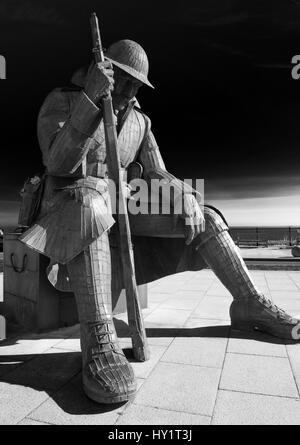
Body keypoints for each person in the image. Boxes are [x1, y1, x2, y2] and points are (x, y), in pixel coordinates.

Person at [20, 39, 300, 404]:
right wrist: (89, 101)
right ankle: (98, 336)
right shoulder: (64, 99)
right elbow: (58, 164)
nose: (130, 90)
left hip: (122, 207)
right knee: (89, 206)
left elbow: (156, 172)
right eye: (123, 80)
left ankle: (249, 303)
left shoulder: (140, 120)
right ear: (102, 70)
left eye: (137, 85)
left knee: (208, 219)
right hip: (71, 206)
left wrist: (186, 195)